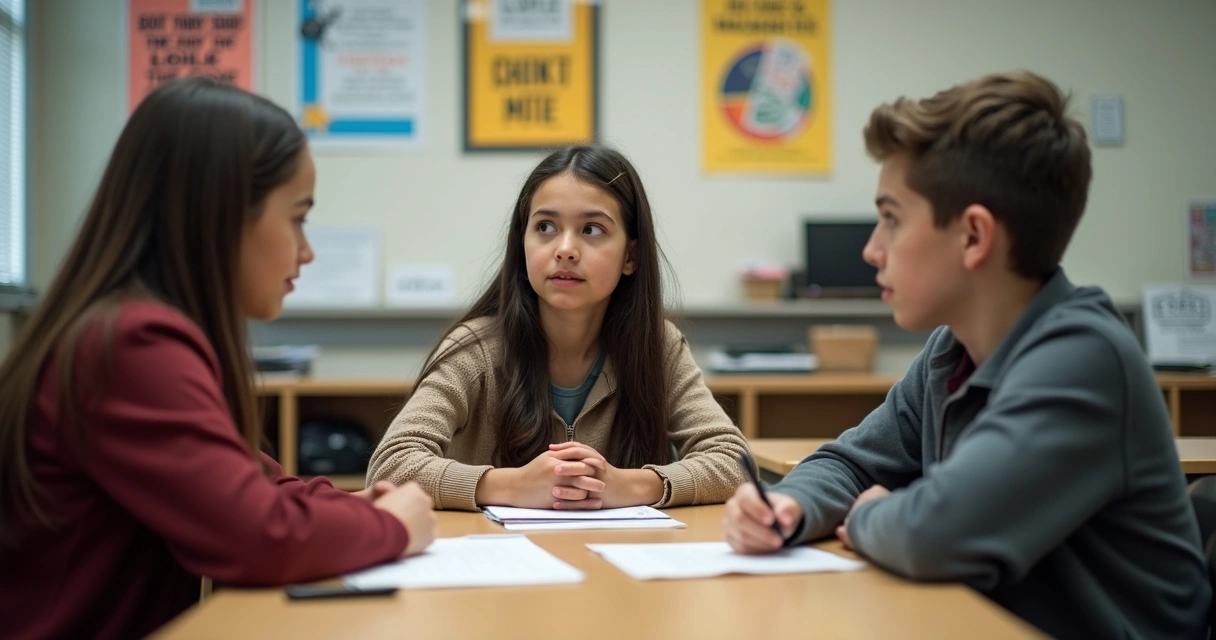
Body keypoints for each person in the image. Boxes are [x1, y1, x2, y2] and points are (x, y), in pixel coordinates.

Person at [723, 70, 1211, 639]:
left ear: (974, 237)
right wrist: (793, 509)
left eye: (891, 218)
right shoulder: (950, 351)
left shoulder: (1085, 359)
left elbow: (935, 535)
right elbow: (850, 464)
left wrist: (867, 514)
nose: (871, 249)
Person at [0, 78, 436, 640]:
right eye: (297, 217)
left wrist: (363, 511)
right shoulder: (132, 343)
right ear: (223, 214)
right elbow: (257, 534)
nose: (307, 251)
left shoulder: (127, 329)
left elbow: (259, 487)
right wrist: (388, 528)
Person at [367, 144, 749, 511]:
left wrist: (626, 485)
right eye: (546, 226)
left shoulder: (658, 345)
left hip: (618, 563)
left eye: (592, 230)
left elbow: (734, 463)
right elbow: (390, 468)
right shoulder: (476, 348)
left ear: (630, 255)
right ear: (523, 244)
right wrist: (512, 485)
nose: (565, 249)